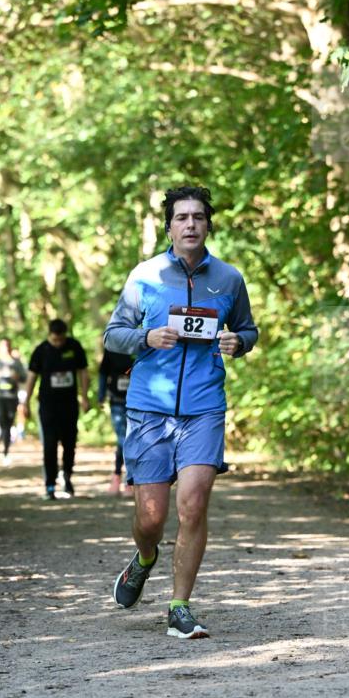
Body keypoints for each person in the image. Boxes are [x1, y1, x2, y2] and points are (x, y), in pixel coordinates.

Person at [104, 185, 258, 639]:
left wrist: (239, 342)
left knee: (193, 505)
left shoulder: (228, 279)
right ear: (169, 226)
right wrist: (145, 338)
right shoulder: (145, 276)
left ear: (208, 224)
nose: (190, 224)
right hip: (149, 407)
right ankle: (145, 558)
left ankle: (179, 606)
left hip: (204, 407)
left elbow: (247, 329)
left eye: (198, 217)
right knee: (150, 519)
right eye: (181, 218)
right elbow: (113, 334)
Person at [23, 318, 90, 499]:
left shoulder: (74, 347)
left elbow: (83, 371)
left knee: (70, 444)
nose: (58, 343)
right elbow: (31, 377)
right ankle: (50, 485)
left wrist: (84, 396)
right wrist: (25, 402)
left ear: (65, 335)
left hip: (69, 405)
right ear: (49, 335)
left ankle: (67, 476)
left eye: (60, 340)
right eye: (55, 340)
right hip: (47, 405)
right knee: (49, 445)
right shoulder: (41, 351)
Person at [98, 347, 134, 495]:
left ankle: (120, 476)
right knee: (123, 438)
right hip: (117, 400)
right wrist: (101, 395)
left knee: (129, 439)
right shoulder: (111, 348)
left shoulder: (140, 343)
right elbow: (103, 373)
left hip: (137, 402)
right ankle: (124, 477)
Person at [0, 338, 27, 464]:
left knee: (8, 425)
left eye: (8, 346)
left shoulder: (16, 362)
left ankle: (6, 452)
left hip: (11, 396)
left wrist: (17, 377)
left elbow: (24, 378)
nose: (6, 348)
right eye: (3, 346)